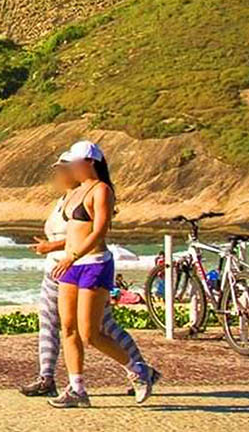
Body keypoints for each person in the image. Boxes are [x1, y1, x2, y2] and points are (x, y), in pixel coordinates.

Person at [19, 148, 153, 398]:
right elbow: (72, 233)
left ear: (90, 162)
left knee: (90, 333)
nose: (67, 170)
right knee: (67, 328)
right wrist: (59, 251)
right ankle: (75, 388)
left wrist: (72, 255)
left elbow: (99, 230)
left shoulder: (101, 190)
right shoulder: (72, 194)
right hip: (69, 266)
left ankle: (138, 369)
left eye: (72, 164)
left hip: (92, 263)